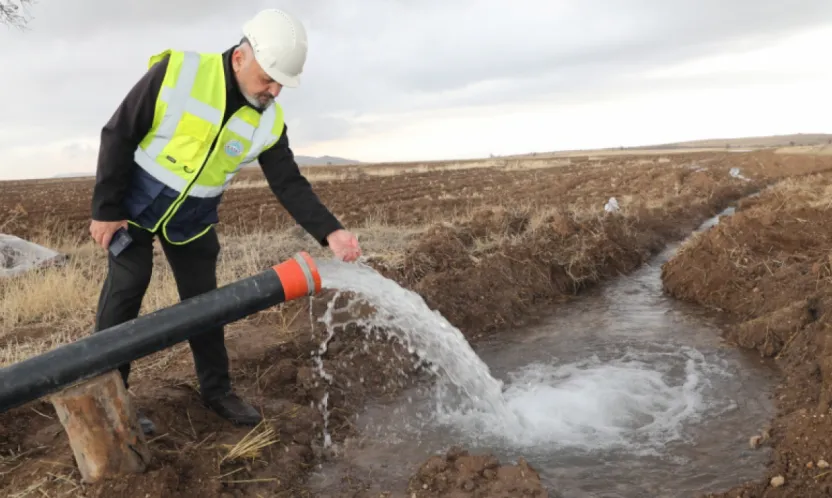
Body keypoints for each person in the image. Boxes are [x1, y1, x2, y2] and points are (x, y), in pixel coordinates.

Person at [88, 8, 361, 435]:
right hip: (133, 209)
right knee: (126, 291)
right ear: (240, 58)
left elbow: (288, 182)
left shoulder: (268, 121)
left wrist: (332, 231)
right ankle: (111, 401)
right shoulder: (179, 73)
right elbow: (119, 133)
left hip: (193, 219)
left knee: (206, 305)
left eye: (280, 85)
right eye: (267, 79)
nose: (273, 91)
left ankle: (216, 391)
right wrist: (106, 210)